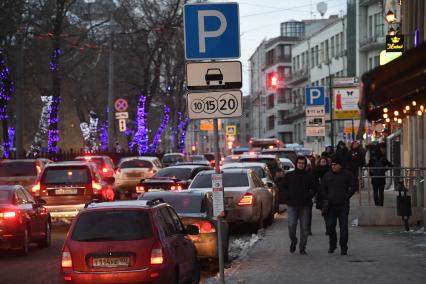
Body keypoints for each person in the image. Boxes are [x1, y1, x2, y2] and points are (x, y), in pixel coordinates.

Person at [321, 156, 358, 255]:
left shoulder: (347, 174)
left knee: (344, 227)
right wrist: (327, 197)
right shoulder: (327, 175)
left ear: (340, 165)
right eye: (332, 165)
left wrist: (346, 196)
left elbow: (354, 187)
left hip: (343, 205)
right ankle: (332, 244)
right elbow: (323, 188)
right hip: (331, 205)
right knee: (331, 226)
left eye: (335, 165)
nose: (333, 166)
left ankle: (343, 247)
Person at [281, 156, 318, 255]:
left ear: (305, 165)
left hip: (305, 205)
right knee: (291, 225)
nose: (301, 165)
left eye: (303, 163)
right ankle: (293, 241)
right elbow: (283, 187)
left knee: (304, 228)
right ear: (296, 164)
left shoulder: (309, 176)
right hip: (292, 205)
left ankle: (302, 248)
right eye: (299, 163)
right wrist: (288, 196)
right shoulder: (289, 175)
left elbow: (315, 188)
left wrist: (308, 196)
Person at [313, 156, 331, 235]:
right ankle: (328, 227)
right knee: (324, 211)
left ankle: (329, 227)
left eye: (324, 162)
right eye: (322, 162)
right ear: (319, 162)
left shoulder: (330, 170)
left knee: (328, 211)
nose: (323, 163)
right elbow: (314, 181)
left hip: (329, 192)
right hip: (321, 193)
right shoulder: (316, 170)